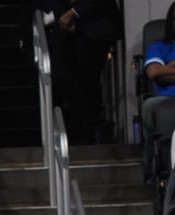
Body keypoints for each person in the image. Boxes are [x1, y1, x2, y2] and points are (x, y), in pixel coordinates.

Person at [35, 0, 121, 144]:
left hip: (95, 26)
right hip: (64, 30)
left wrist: (73, 13)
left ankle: (89, 132)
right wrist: (58, 14)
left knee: (89, 82)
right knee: (63, 77)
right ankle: (81, 128)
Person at [141, 4, 175, 183]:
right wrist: (163, 71)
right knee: (149, 106)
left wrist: (168, 69)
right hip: (166, 97)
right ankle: (150, 166)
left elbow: (161, 72)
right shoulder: (161, 46)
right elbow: (153, 73)